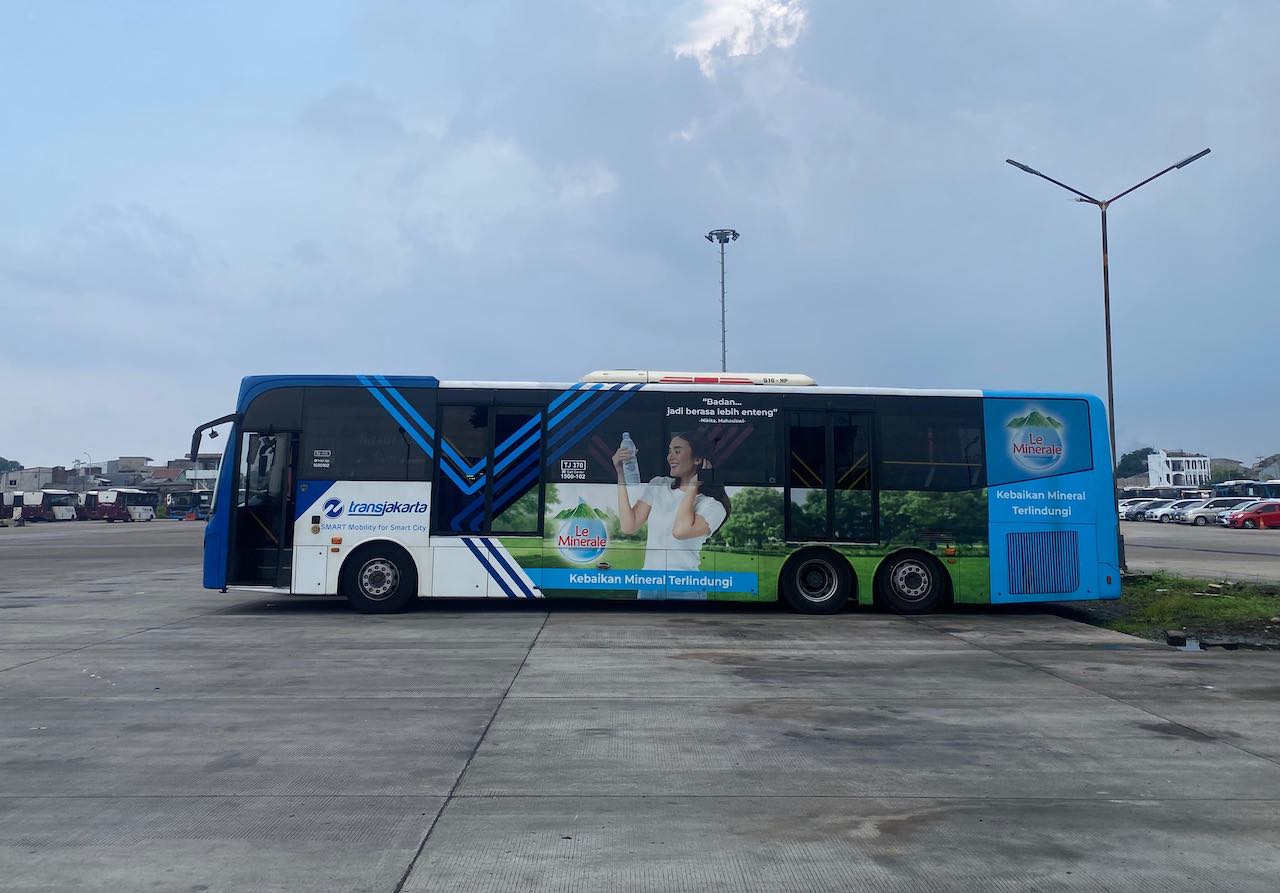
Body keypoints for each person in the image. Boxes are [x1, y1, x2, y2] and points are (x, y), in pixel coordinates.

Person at [613, 431, 732, 599]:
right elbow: (628, 526)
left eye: (677, 451)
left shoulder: (714, 505)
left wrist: (692, 486)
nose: (670, 457)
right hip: (649, 584)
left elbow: (680, 531)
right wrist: (620, 474)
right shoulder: (659, 485)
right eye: (670, 451)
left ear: (698, 460)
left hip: (685, 587)